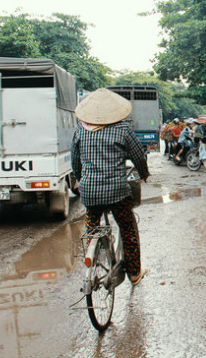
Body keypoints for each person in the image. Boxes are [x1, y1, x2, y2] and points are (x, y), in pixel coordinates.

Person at [71, 88, 150, 286]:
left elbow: (75, 160)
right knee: (127, 227)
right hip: (117, 192)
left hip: (89, 190)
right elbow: (138, 155)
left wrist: (82, 179)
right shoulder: (122, 129)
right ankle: (134, 274)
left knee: (92, 224)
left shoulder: (80, 129)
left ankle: (92, 256)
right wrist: (144, 173)